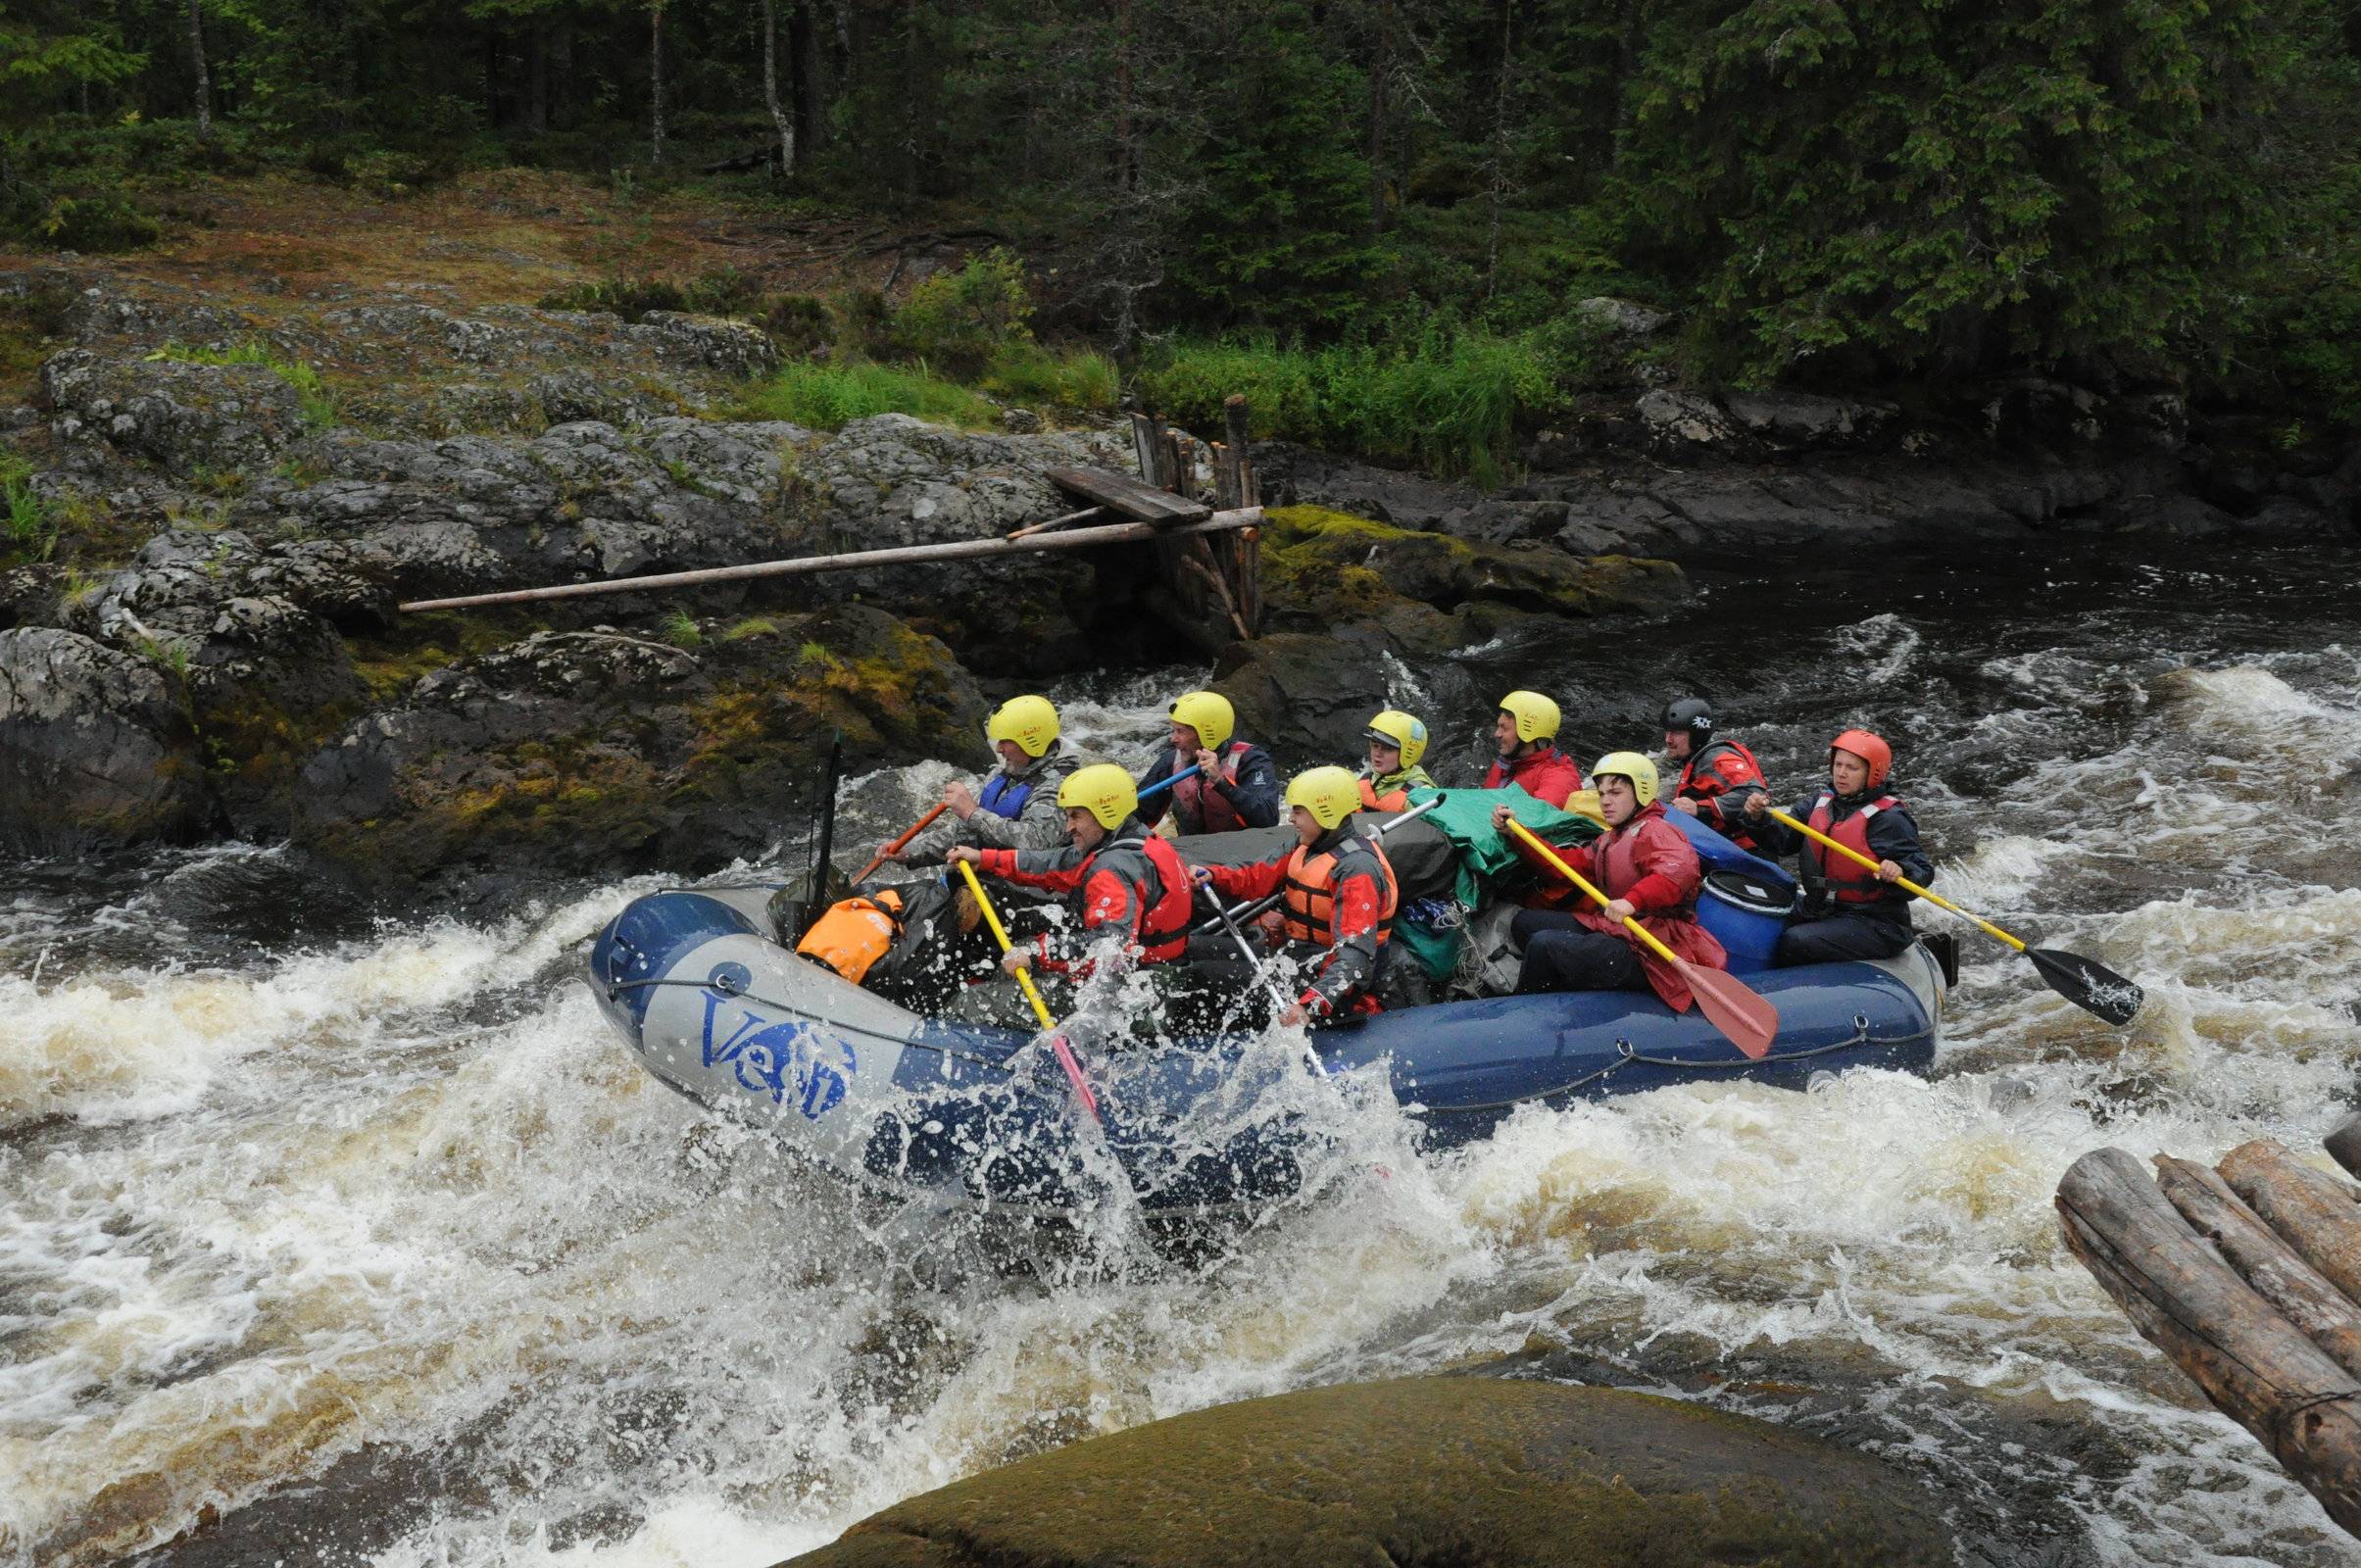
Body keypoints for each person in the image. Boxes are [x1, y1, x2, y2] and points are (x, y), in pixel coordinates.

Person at [1489, 752, 1727, 1008]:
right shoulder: (1611, 838)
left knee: (1543, 945)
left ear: (1641, 793)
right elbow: (1565, 866)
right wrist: (1518, 834)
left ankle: (1525, 1014)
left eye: (1615, 793)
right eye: (1601, 794)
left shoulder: (1658, 830)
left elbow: (1676, 871)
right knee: (1526, 923)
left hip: (1653, 949)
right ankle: (1562, 986)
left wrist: (1632, 901)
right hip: (1621, 932)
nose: (1605, 802)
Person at [947, 763, 1194, 981]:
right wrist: (986, 858)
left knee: (971, 1005)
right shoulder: (1133, 838)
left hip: (1141, 986)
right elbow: (1052, 863)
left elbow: (1110, 947)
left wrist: (1037, 953)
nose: (1069, 827)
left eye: (1076, 816)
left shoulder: (1111, 869)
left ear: (1105, 813)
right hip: (1156, 969)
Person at [1192, 766, 1400, 1025]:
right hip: (1295, 959)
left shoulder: (1357, 869)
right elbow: (1256, 876)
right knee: (1191, 947)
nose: (1290, 818)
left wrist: (1310, 1004)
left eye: (1298, 811)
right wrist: (1213, 875)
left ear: (1326, 813)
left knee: (1204, 974)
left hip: (1331, 988)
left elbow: (1355, 955)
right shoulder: (1306, 844)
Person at [1741, 728, 1934, 964]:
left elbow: (1922, 870)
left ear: (1873, 773)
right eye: (1838, 765)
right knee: (1755, 921)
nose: (1841, 774)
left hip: (1874, 921)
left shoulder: (1889, 819)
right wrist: (1758, 819)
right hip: (1819, 907)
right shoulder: (1820, 802)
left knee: (1797, 941)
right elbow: (1783, 841)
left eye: (1852, 768)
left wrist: (1901, 870)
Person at [876, 694, 1078, 866]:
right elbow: (968, 832)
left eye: (1006, 741)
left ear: (1032, 741)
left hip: (1037, 890)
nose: (999, 749)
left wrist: (972, 812)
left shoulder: (1062, 785)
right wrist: (910, 852)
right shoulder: (1006, 773)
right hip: (994, 874)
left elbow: (1037, 842)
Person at [1137, 689, 1281, 836]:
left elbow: (1268, 820)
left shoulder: (1250, 760)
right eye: (1173, 730)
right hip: (1191, 852)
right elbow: (1139, 814)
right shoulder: (1171, 761)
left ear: (1206, 733)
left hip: (1241, 854)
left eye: (1180, 731)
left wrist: (1221, 782)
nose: (1173, 739)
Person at [1661, 696, 1768, 853]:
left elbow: (1754, 794)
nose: (1668, 739)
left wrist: (1698, 808)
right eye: (1667, 731)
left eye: (1676, 732)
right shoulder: (1695, 758)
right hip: (1720, 848)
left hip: (1748, 854)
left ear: (1697, 735)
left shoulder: (1720, 759)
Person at [1483, 690, 1585, 808]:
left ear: (1528, 733)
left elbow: (1539, 822)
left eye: (1504, 728)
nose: (1497, 734)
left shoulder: (1559, 779)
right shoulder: (1506, 763)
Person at [1357, 709, 1435, 812]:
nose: (1377, 753)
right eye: (1375, 746)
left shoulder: (1421, 796)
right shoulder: (1365, 779)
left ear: (1407, 754)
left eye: (1387, 748)